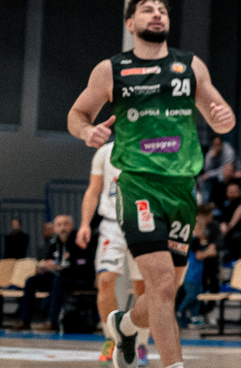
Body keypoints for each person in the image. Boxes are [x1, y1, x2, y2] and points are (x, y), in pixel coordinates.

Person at [67, 0, 235, 368]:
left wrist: (224, 118)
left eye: (162, 10)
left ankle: (124, 325)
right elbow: (76, 114)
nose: (157, 14)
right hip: (138, 186)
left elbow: (219, 115)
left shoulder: (190, 66)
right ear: (131, 23)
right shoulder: (111, 70)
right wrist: (87, 131)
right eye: (147, 10)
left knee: (167, 290)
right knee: (160, 286)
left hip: (182, 189)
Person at [79, 140, 145, 363]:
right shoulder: (104, 152)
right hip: (111, 224)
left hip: (142, 222)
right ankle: (111, 338)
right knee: (105, 281)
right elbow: (93, 190)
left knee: (143, 289)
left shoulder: (150, 148)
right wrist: (85, 224)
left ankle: (141, 343)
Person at [11, 214, 91, 331]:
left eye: (65, 224)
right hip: (58, 279)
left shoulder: (79, 242)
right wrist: (45, 267)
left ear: (72, 226)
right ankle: (25, 320)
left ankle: (52, 322)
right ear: (55, 228)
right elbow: (49, 261)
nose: (62, 228)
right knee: (31, 281)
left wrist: (60, 268)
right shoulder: (54, 244)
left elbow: (82, 268)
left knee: (58, 281)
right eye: (59, 225)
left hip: (79, 279)